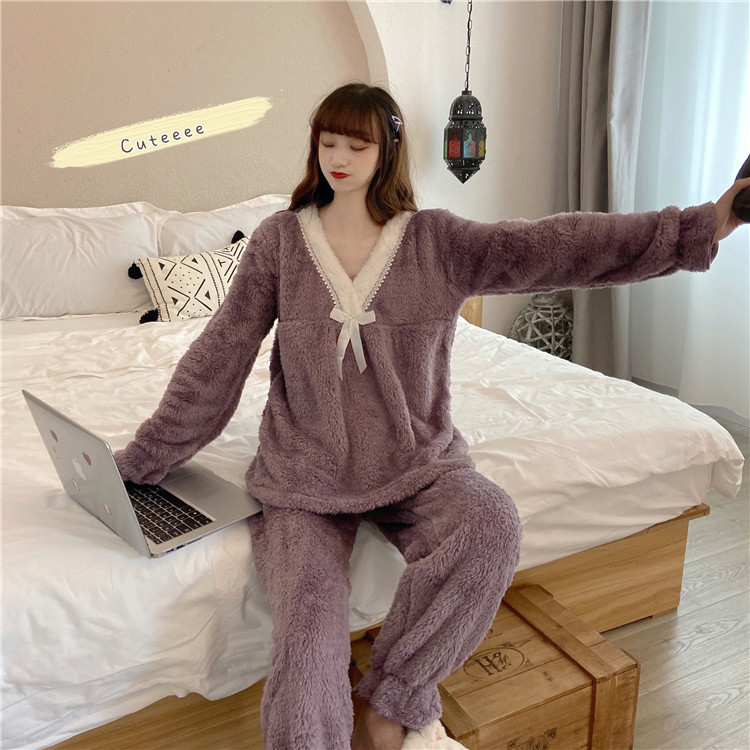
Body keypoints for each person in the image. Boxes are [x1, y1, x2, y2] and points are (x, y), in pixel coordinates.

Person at [114, 83, 749, 750]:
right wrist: (148, 457)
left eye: (356, 145)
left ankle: (394, 697)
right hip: (304, 478)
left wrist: (704, 224)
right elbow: (220, 354)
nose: (338, 158)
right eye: (328, 142)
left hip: (417, 464)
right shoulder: (279, 242)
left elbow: (557, 245)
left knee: (491, 524)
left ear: (387, 150)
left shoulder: (436, 242)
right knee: (307, 629)